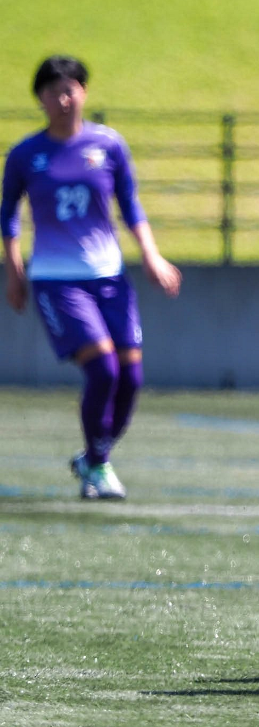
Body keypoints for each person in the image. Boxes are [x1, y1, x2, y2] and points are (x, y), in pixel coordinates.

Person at [2, 56, 182, 500]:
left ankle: (93, 458)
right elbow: (8, 216)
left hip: (109, 277)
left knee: (131, 377)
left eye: (70, 89)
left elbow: (130, 206)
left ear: (83, 92)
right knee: (103, 370)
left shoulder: (109, 145)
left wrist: (153, 257)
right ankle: (98, 466)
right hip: (57, 280)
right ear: (40, 99)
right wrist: (14, 271)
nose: (63, 100)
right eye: (53, 92)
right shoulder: (27, 154)